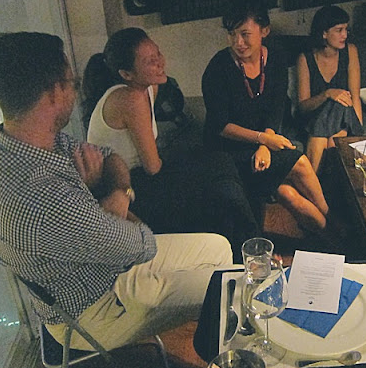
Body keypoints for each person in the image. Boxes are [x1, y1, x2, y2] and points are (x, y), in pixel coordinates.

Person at [0, 32, 232, 351]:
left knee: (220, 247)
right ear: (53, 92)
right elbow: (140, 244)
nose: (75, 91)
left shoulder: (7, 144)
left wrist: (117, 193)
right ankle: (229, 362)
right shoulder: (44, 197)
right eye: (71, 83)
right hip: (96, 308)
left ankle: (218, 333)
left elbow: (108, 156)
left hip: (101, 267)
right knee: (229, 286)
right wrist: (109, 196)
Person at [84, 28, 258, 263]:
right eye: (149, 61)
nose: (160, 63)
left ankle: (250, 249)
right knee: (220, 188)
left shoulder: (148, 87)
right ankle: (250, 253)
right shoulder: (129, 98)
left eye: (158, 53)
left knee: (221, 163)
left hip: (143, 175)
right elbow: (153, 167)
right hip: (127, 187)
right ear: (126, 74)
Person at [202, 0, 333, 239]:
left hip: (261, 142)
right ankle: (336, 223)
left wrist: (265, 143)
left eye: (245, 34)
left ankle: (328, 236)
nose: (238, 42)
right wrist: (263, 140)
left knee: (288, 194)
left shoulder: (275, 59)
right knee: (300, 163)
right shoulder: (218, 68)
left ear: (264, 31)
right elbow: (220, 126)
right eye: (232, 34)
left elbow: (276, 107)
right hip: (228, 151)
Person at [296, 5, 363, 172]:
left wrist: (359, 132)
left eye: (346, 30)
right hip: (313, 118)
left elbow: (355, 96)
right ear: (324, 33)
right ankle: (332, 180)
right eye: (339, 30)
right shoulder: (305, 59)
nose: (345, 35)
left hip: (344, 118)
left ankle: (313, 183)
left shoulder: (350, 51)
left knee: (340, 104)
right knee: (330, 129)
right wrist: (327, 94)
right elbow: (303, 106)